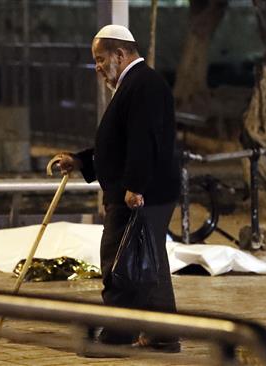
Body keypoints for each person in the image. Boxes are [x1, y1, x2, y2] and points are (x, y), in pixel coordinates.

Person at [55, 24, 181, 353]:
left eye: (100, 59)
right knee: (146, 263)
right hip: (142, 192)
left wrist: (135, 186)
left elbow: (144, 140)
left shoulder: (143, 85)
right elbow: (118, 145)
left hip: (139, 195)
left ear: (120, 54)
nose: (97, 67)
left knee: (119, 261)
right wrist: (82, 161)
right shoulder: (135, 85)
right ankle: (161, 335)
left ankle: (117, 336)